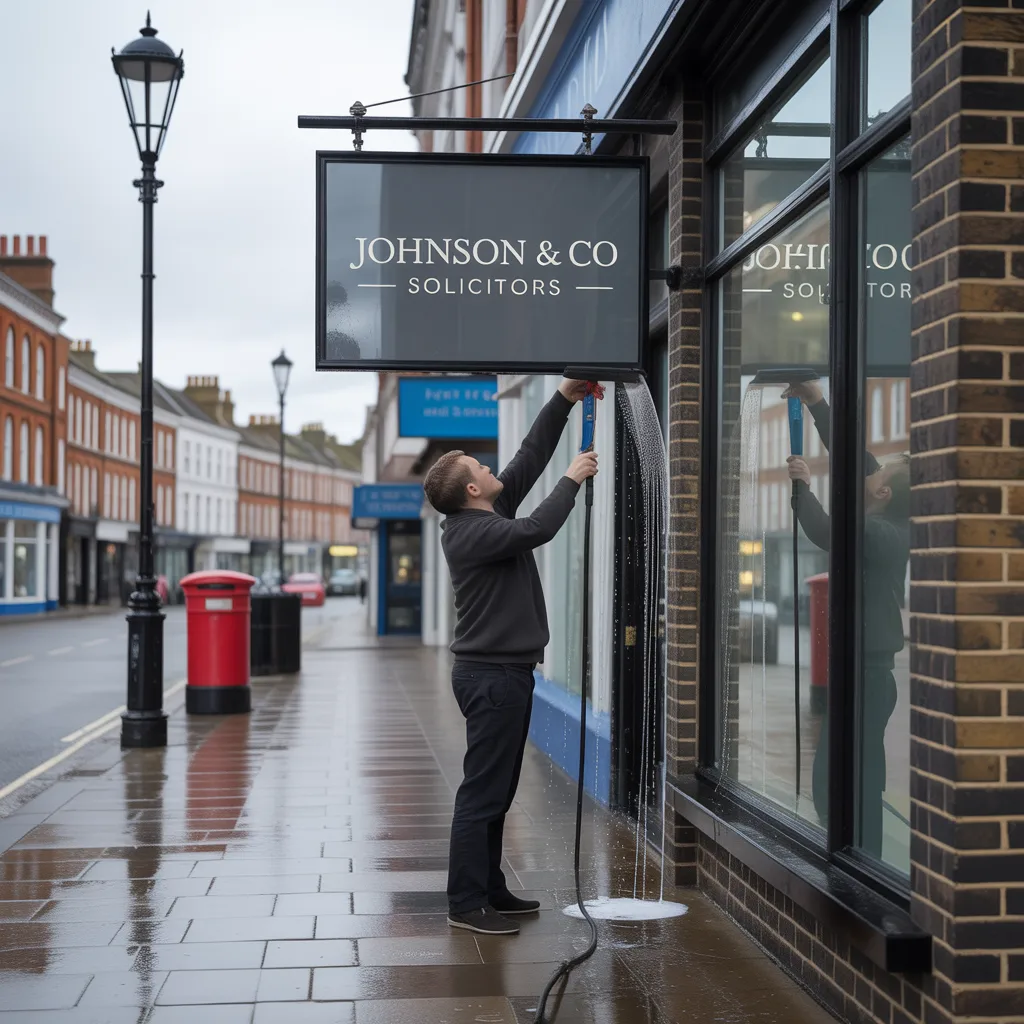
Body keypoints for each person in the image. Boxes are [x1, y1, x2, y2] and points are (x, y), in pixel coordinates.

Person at [423, 377, 602, 936]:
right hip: (492, 677)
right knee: (483, 789)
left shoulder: (485, 517)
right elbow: (539, 528)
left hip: (505, 673)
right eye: (479, 467)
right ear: (473, 490)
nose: (489, 467)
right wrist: (573, 480)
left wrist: (564, 398)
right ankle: (465, 901)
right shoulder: (470, 535)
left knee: (498, 788)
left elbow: (529, 455)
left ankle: (490, 887)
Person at [784, 380, 910, 858]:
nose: (870, 467)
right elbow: (827, 518)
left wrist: (818, 409)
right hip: (859, 673)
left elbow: (825, 528)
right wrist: (817, 407)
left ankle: (864, 865)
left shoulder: (884, 533)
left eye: (880, 469)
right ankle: (860, 858)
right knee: (844, 782)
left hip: (869, 678)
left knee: (846, 784)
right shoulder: (878, 520)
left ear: (880, 490)